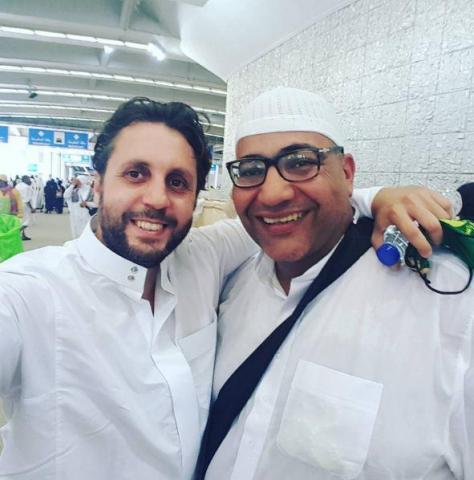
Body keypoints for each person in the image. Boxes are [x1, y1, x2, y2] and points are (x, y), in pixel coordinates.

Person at [0, 97, 451, 480]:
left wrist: (378, 197)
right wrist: (377, 196)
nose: (156, 199)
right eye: (135, 174)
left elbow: (279, 214)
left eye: (177, 182)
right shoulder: (30, 292)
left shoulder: (201, 259)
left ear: (196, 197)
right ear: (97, 184)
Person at [201, 87, 474, 479]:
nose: (273, 194)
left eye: (301, 163)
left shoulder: (450, 305)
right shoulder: (231, 280)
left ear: (346, 173)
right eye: (250, 170)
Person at [14, 175, 35, 240]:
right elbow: (27, 200)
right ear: (25, 180)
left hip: (17, 204)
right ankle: (17, 232)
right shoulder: (27, 187)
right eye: (28, 179)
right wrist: (32, 208)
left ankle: (23, 235)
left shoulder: (17, 185)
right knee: (28, 221)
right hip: (25, 205)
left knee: (21, 220)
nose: (30, 181)